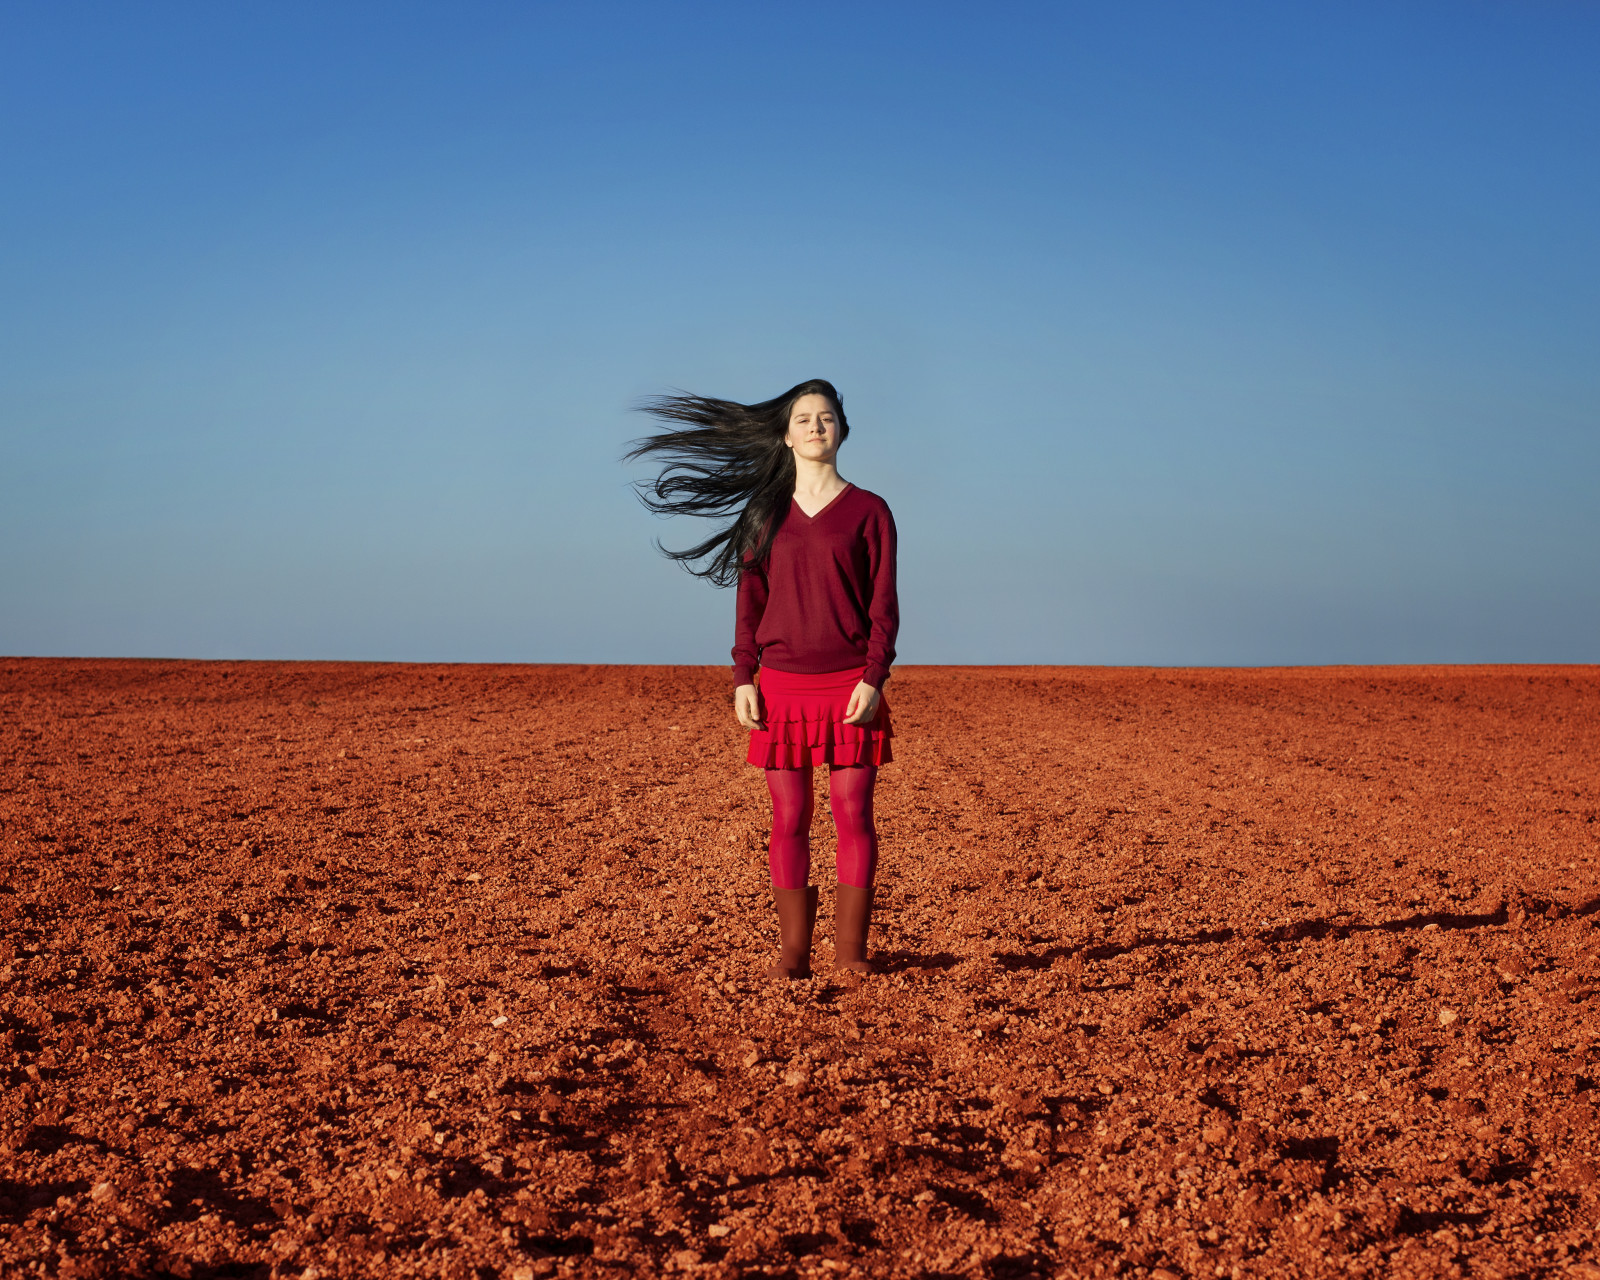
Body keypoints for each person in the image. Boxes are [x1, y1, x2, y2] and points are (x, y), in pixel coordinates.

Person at [627, 379, 898, 979]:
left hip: (850, 683)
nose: (816, 427)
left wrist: (874, 677)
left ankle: (851, 955)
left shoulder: (871, 511)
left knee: (853, 813)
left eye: (826, 418)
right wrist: (742, 676)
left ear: (843, 431)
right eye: (804, 419)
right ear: (786, 435)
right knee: (790, 816)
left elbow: (884, 605)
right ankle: (793, 956)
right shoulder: (763, 513)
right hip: (780, 685)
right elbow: (748, 602)